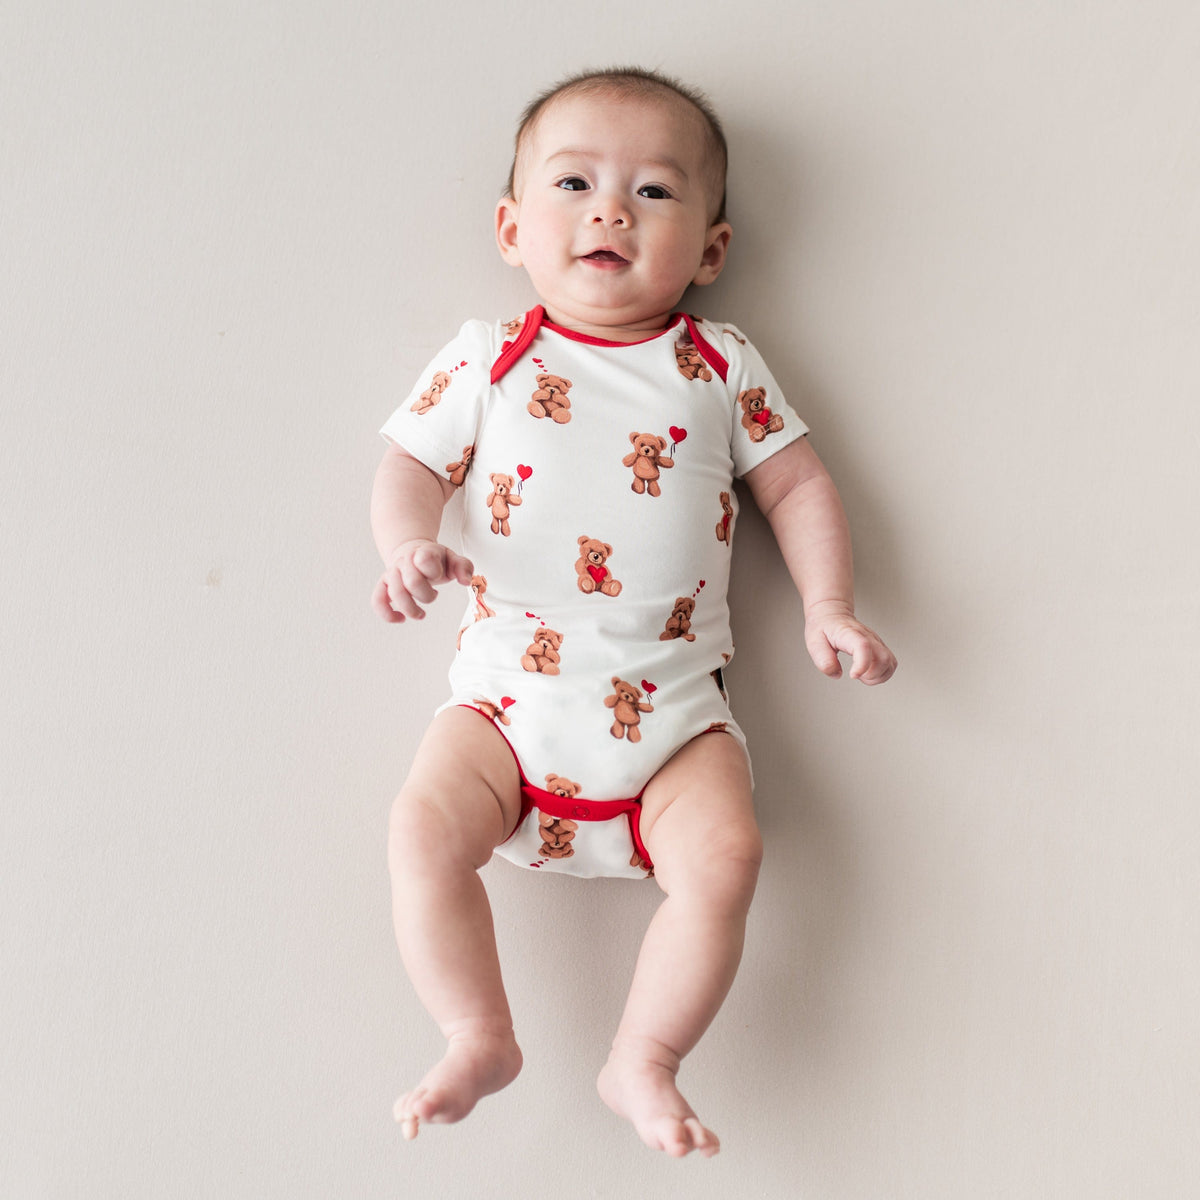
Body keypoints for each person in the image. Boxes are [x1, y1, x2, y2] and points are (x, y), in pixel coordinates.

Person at [370, 66, 896, 1158]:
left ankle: (644, 1058)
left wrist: (829, 604)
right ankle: (478, 1031)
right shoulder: (487, 358)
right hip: (505, 712)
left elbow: (797, 486)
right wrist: (407, 545)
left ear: (710, 250)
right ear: (514, 227)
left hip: (671, 723)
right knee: (421, 830)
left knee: (728, 860)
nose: (611, 209)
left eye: (655, 192)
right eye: (574, 183)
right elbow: (409, 464)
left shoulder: (720, 365)